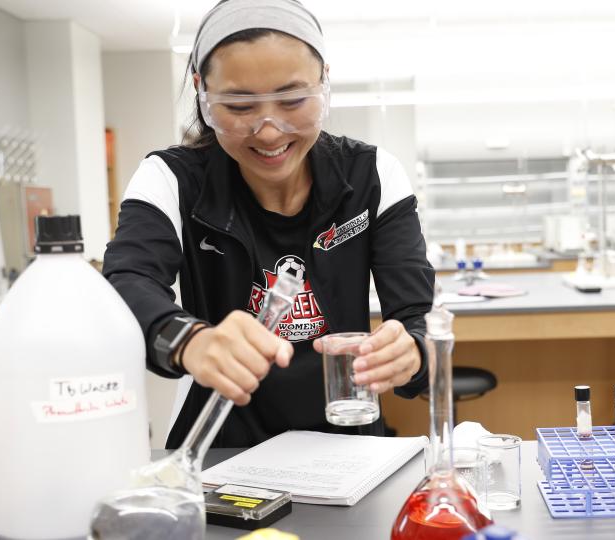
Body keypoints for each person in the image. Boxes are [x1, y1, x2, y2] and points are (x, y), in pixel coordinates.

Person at [102, 0, 435, 448]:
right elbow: (126, 283)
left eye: (294, 100)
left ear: (324, 82)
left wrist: (411, 352)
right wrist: (191, 341)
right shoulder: (172, 179)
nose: (269, 131)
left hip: (350, 445)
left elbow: (419, 319)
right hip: (218, 452)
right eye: (239, 105)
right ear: (202, 92)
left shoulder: (372, 175)